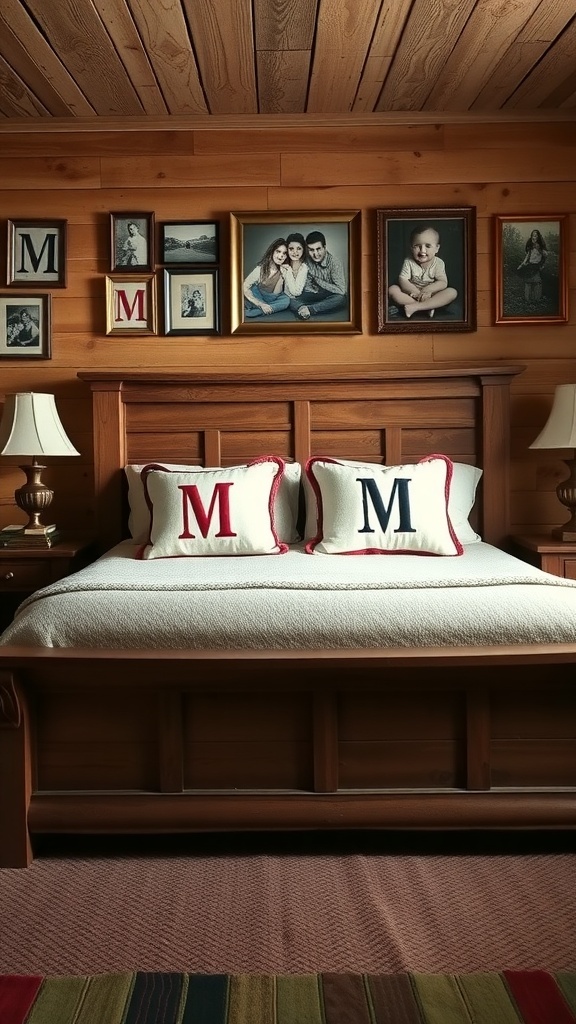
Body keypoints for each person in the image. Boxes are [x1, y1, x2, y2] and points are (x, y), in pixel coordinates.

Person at [388, 225, 457, 319]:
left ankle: (416, 307)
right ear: (411, 248)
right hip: (412, 295)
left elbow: (442, 282)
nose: (422, 250)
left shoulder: (438, 263)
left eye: (428, 246)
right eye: (417, 246)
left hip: (431, 295)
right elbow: (403, 279)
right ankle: (426, 307)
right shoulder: (408, 262)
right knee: (392, 289)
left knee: (452, 292)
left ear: (437, 248)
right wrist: (415, 292)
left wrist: (428, 290)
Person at [289, 230, 347, 320]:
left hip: (328, 296)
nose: (315, 254)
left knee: (341, 299)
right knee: (289, 297)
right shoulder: (306, 259)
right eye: (311, 250)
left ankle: (310, 309)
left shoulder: (335, 262)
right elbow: (306, 286)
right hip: (312, 294)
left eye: (318, 249)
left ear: (324, 247)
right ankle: (302, 308)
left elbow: (341, 290)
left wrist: (318, 281)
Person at [243, 238, 291, 317]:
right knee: (252, 289)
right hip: (259, 296)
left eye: (284, 253)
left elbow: (278, 293)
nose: (281, 256)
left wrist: (284, 274)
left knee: (286, 300)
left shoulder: (285, 270)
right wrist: (261, 304)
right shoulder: (260, 269)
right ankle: (262, 307)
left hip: (273, 298)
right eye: (278, 251)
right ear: (272, 252)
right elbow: (245, 286)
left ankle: (257, 311)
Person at [517, 229, 548, 304]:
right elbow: (527, 256)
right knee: (528, 282)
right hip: (530, 265)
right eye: (533, 235)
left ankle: (536, 300)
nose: (534, 237)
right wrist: (522, 264)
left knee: (537, 282)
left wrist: (539, 248)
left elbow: (546, 254)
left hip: (537, 266)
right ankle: (528, 300)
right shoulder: (530, 245)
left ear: (538, 237)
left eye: (536, 235)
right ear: (531, 237)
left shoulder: (541, 246)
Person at [280, 232, 309, 299]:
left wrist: (289, 270)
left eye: (298, 248)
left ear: (303, 250)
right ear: (287, 249)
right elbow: (286, 293)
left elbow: (296, 292)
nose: (295, 252)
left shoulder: (305, 267)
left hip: (304, 300)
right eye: (291, 249)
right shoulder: (283, 265)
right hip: (286, 300)